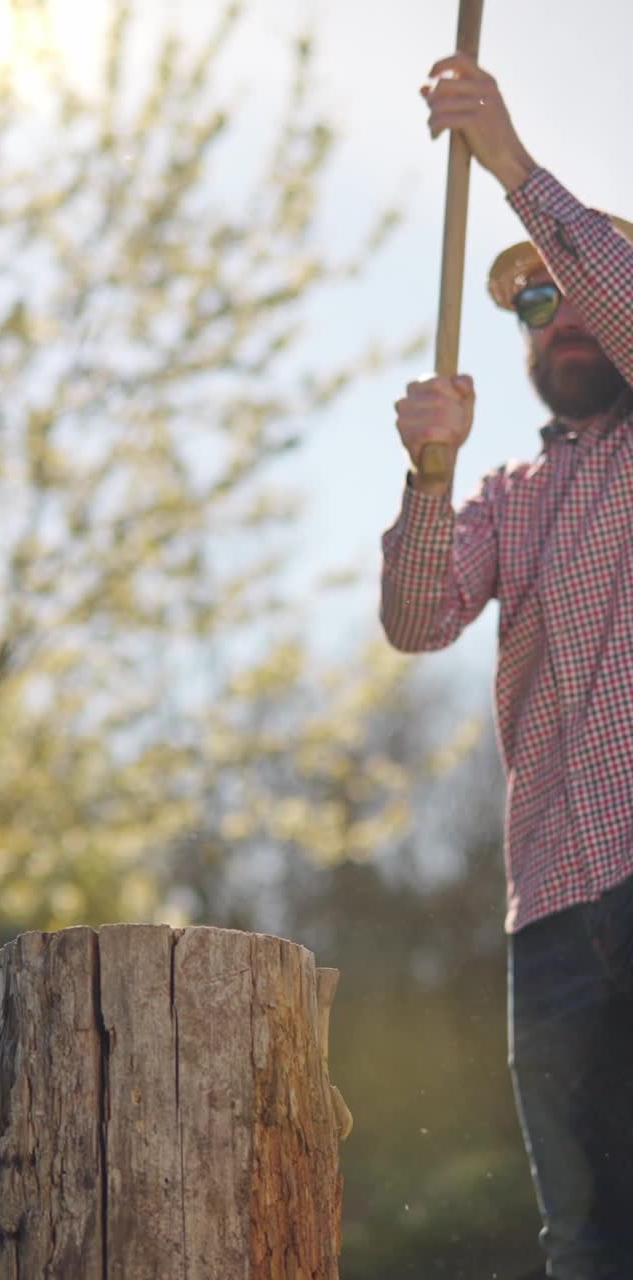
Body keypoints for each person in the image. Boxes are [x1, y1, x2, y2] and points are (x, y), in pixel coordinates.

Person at [380, 52, 633, 1280]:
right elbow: (420, 616)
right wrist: (428, 475)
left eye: (577, 287)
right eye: (533, 302)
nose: (563, 312)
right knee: (583, 1243)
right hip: (553, 912)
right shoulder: (508, 493)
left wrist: (514, 168)